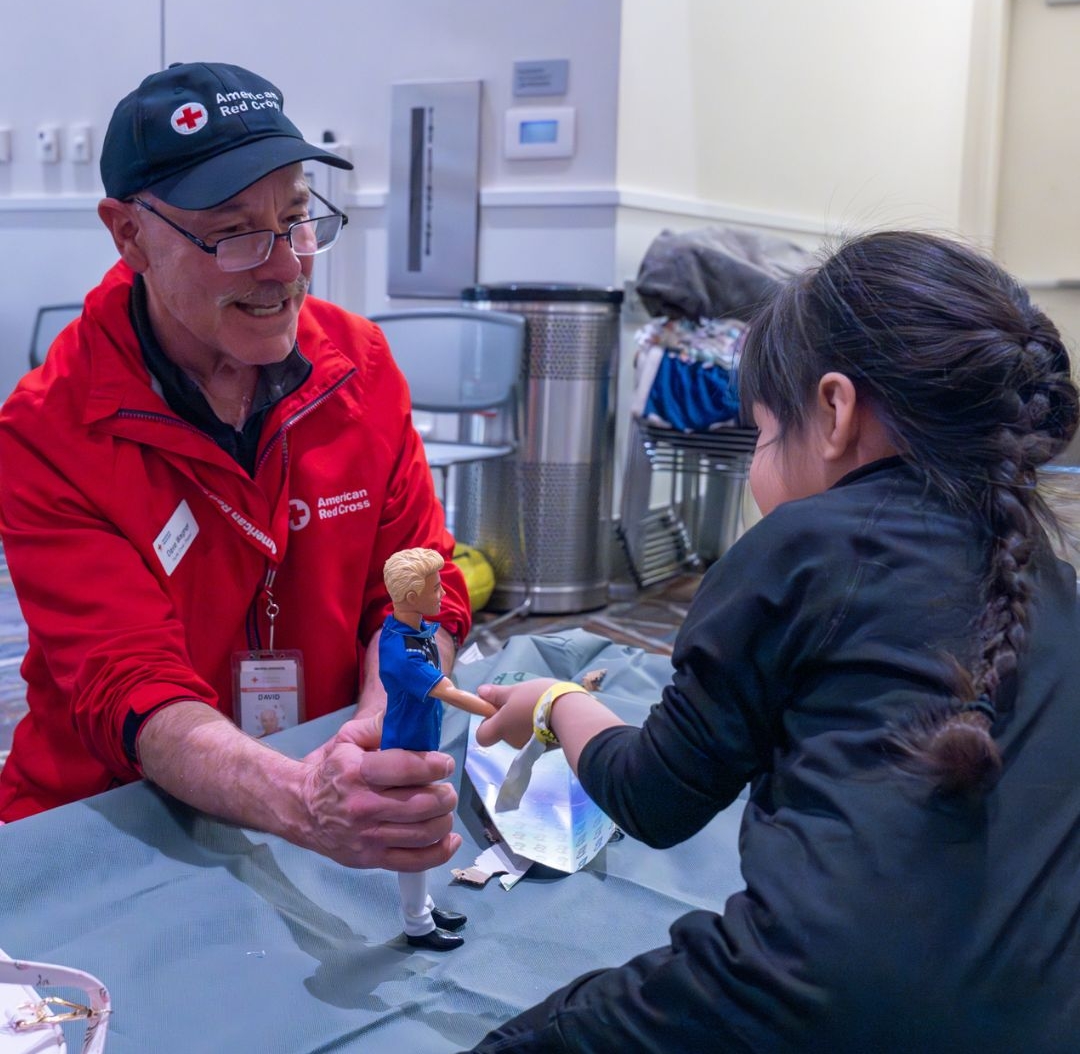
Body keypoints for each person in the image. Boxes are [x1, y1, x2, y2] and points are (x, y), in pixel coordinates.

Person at [468, 230, 1080, 1053]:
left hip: (809, 999)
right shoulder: (1045, 575)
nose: (758, 466)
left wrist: (557, 701)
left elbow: (655, 797)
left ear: (833, 410)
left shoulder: (802, 547)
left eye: (758, 433)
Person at [0, 61, 472, 882]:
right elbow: (128, 683)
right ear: (129, 234)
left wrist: (380, 725)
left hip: (318, 782)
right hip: (113, 823)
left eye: (296, 220)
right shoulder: (50, 431)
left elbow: (420, 588)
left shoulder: (360, 371)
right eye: (234, 233)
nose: (286, 266)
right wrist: (301, 800)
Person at [379, 547, 494, 950]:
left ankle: (423, 907)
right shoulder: (401, 652)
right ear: (411, 597)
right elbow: (447, 690)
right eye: (436, 586)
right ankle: (417, 926)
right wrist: (497, 710)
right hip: (405, 754)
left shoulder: (415, 633)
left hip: (421, 744)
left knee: (422, 839)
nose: (444, 592)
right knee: (415, 842)